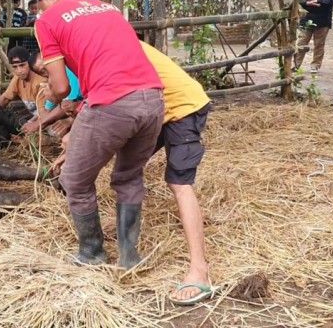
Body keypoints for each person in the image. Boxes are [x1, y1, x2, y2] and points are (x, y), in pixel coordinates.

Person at [45, 41, 213, 306]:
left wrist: (73, 142)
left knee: (178, 183)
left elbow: (102, 109)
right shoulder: (101, 45)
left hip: (181, 107)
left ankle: (199, 270)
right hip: (150, 109)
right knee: (125, 173)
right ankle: (127, 256)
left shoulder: (100, 49)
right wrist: (73, 149)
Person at [33, 0, 165, 270]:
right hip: (153, 99)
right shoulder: (106, 7)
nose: (39, 6)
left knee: (75, 180)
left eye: (39, 1)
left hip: (112, 102)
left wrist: (49, 96)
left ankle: (92, 253)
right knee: (129, 176)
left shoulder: (47, 20)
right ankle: (130, 257)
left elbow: (63, 88)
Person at [293, 0, 333, 74]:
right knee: (301, 42)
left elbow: (331, 1)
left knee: (319, 44)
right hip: (307, 18)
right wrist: (308, 3)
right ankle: (296, 64)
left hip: (322, 20)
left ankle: (315, 65)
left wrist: (318, 1)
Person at [0, 47, 47, 124]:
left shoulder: (41, 82)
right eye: (15, 67)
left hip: (47, 119)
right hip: (35, 118)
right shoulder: (17, 79)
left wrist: (30, 124)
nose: (19, 71)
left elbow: (43, 114)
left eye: (22, 65)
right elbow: (5, 99)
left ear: (29, 63)